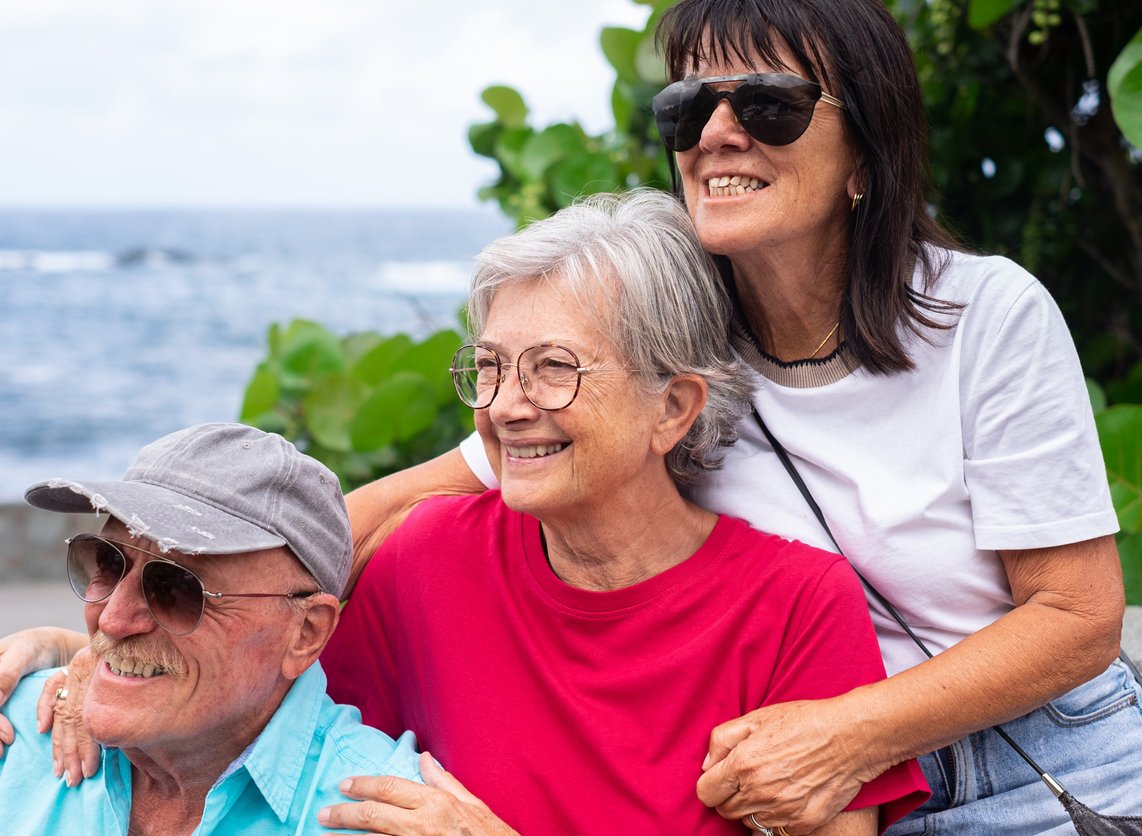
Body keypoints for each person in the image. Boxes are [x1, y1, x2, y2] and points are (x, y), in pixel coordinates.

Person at [341, 0, 1142, 832]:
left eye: (769, 105)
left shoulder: (982, 313)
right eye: (688, 108)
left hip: (1032, 762)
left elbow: (1076, 617)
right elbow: (406, 502)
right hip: (817, 785)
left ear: (865, 150)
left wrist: (844, 733)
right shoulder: (658, 348)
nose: (717, 133)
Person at [0, 191, 929, 834]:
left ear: (673, 406)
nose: (502, 404)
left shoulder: (795, 603)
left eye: (553, 369)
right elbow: (252, 668)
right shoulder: (430, 558)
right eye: (489, 368)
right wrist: (87, 651)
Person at [0, 423, 422, 834]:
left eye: (179, 588)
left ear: (306, 633)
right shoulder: (3, 735)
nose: (114, 619)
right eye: (107, 561)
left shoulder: (387, 818)